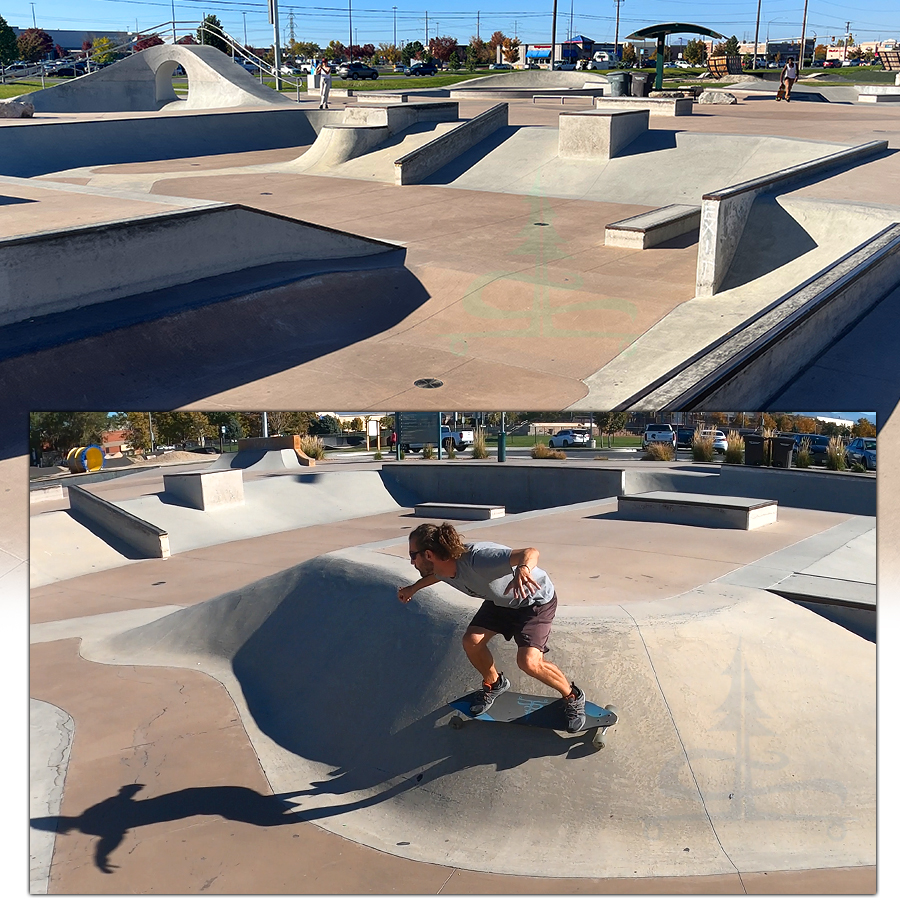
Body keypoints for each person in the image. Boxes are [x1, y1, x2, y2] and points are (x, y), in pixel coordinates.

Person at [397, 522, 586, 732]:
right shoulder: (441, 567)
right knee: (471, 642)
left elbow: (530, 552)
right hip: (501, 601)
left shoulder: (479, 559)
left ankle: (572, 696)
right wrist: (413, 588)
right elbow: (436, 576)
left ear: (429, 555)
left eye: (413, 555)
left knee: (529, 662)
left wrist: (522, 569)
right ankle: (494, 683)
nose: (412, 561)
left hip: (533, 601)